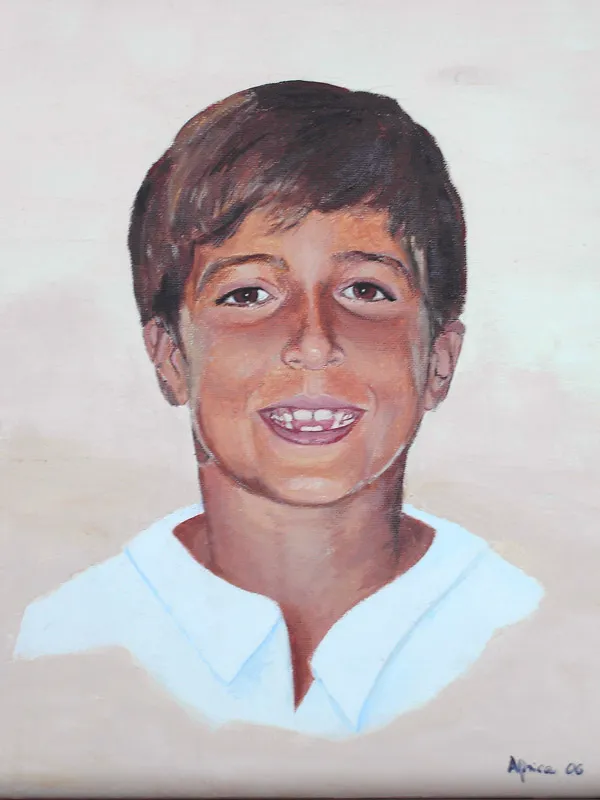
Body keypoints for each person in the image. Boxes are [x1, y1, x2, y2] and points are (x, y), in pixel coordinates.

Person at [14, 80, 543, 738]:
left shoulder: (524, 632)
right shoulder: (66, 641)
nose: (314, 343)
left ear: (439, 359)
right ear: (171, 358)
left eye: (366, 290)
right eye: (248, 296)